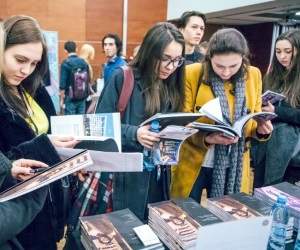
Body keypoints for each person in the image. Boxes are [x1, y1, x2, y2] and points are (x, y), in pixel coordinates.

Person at [0, 15, 77, 250]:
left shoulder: (33, 88)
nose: (26, 70)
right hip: (16, 210)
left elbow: (50, 132)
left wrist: (70, 158)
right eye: (20, 59)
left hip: (47, 198)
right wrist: (43, 146)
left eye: (34, 63)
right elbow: (6, 163)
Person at [171, 28, 273, 202]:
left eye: (233, 66)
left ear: (243, 58)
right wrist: (208, 138)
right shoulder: (192, 73)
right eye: (219, 66)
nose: (226, 72)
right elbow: (181, 121)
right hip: (195, 158)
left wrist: (261, 130)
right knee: (182, 214)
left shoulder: (253, 75)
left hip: (234, 164)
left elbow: (253, 119)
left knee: (226, 216)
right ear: (209, 58)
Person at [96, 22, 185, 220]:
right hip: (124, 178)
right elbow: (99, 127)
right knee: (126, 229)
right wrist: (134, 133)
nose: (171, 67)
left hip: (159, 175)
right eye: (165, 59)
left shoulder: (171, 83)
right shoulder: (123, 78)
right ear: (149, 52)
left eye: (177, 60)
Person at [252, 29, 300, 187]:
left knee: (280, 194)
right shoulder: (272, 76)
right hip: (266, 144)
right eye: (278, 51)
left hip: (291, 153)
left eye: (288, 51)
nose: (282, 57)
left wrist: (276, 111)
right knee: (260, 192)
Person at [59, 40, 90, 115]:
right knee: (81, 119)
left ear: (65, 51)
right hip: (83, 95)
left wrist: (61, 99)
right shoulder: (84, 62)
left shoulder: (65, 63)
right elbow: (88, 79)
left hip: (70, 96)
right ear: (76, 49)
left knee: (71, 120)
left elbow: (62, 84)